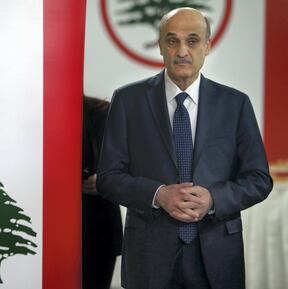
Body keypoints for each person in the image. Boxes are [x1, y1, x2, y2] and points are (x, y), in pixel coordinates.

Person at [96, 7, 273, 289]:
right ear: (160, 46)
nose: (182, 51)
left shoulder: (235, 104)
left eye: (192, 41)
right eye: (172, 40)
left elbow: (259, 179)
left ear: (207, 45)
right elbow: (108, 178)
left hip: (217, 256)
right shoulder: (128, 101)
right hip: (148, 256)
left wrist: (213, 199)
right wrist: (158, 195)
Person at [82, 96, 123, 289]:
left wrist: (106, 179)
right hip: (49, 227)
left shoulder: (100, 112)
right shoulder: (37, 113)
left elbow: (131, 162)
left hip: (98, 228)